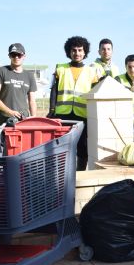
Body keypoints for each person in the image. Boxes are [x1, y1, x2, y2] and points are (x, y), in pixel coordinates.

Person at [47, 36, 99, 171]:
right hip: (62, 115)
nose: (77, 53)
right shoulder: (60, 68)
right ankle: (62, 174)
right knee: (62, 146)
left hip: (83, 115)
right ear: (69, 52)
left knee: (82, 147)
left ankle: (79, 174)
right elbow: (54, 90)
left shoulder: (91, 71)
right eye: (74, 50)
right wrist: (52, 110)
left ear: (85, 52)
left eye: (80, 50)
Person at [0, 43, 37, 126]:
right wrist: (10, 112)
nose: (16, 57)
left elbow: (32, 101)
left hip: (24, 120)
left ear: (24, 56)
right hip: (5, 120)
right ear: (9, 56)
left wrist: (34, 118)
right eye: (13, 55)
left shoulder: (29, 76)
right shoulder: (1, 71)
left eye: (19, 55)